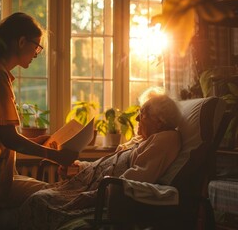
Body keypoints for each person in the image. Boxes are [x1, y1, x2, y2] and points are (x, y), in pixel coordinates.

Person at [0, 12, 78, 228]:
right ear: (21, 41)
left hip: (2, 179)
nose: (37, 53)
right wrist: (56, 156)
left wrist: (38, 142)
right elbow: (9, 138)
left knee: (53, 193)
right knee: (57, 197)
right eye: (37, 46)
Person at [18, 87, 182, 230]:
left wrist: (94, 196)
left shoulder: (166, 139)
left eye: (143, 114)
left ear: (160, 122)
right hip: (85, 185)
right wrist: (77, 167)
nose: (137, 119)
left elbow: (135, 178)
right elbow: (106, 164)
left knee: (39, 201)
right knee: (37, 197)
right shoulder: (142, 139)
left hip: (98, 194)